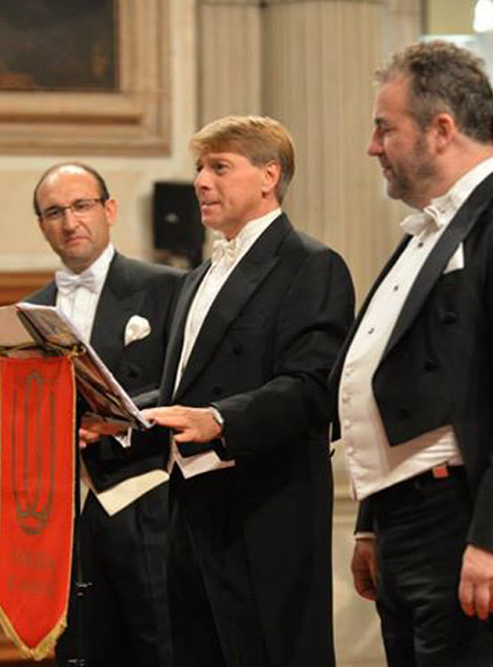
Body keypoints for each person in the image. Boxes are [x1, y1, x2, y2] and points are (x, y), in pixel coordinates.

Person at [334, 42, 493, 666]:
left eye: (385, 128)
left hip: (466, 521)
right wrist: (373, 521)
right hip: (408, 524)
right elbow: (404, 385)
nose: (372, 147)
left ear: (441, 129)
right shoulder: (430, 232)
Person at [142, 115, 355, 666]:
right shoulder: (196, 277)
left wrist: (219, 418)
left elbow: (313, 388)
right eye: (199, 168)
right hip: (191, 512)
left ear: (269, 175)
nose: (200, 182)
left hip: (266, 517)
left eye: (219, 167)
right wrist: (119, 415)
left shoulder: (311, 265)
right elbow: (181, 389)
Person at [0, 162, 182, 667]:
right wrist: (44, 435)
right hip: (62, 520)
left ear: (109, 210)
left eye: (81, 206)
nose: (70, 222)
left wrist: (123, 420)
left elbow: (190, 384)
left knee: (164, 647)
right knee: (83, 653)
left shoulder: (168, 288)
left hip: (149, 505)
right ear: (42, 226)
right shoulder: (27, 314)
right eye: (54, 213)